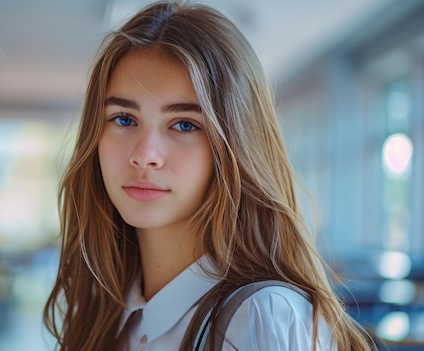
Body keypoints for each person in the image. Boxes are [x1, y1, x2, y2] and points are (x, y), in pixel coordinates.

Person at [44, 1, 377, 350]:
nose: (145, 155)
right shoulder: (106, 311)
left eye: (184, 124)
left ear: (234, 146)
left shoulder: (259, 318)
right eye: (124, 119)